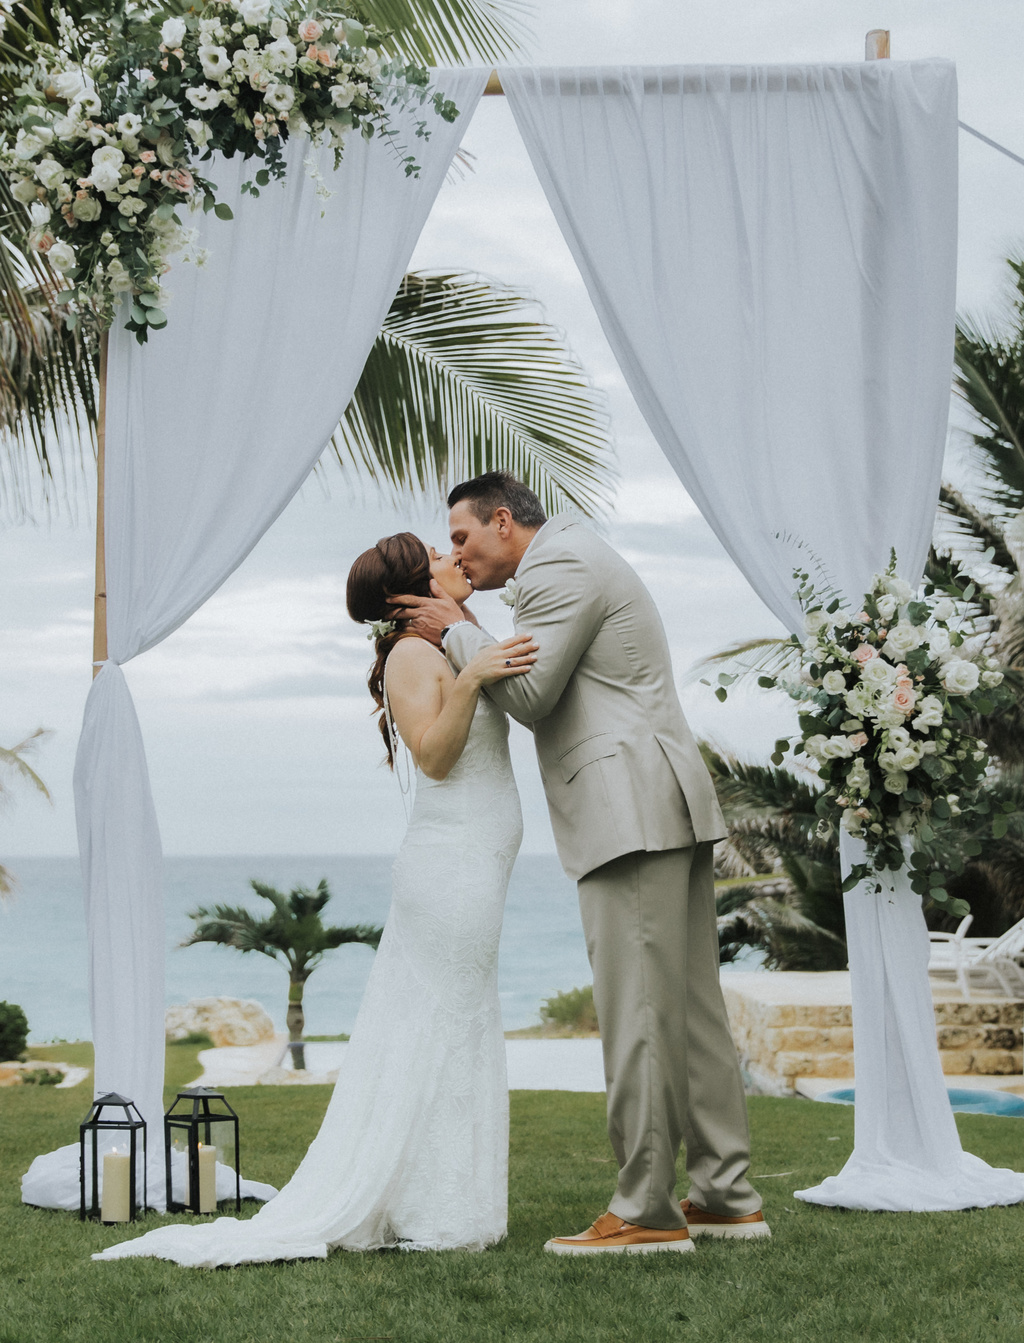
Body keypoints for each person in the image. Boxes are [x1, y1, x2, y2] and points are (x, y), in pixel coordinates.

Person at [93, 532, 536, 1267]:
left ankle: (443, 1195)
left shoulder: (450, 642)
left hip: (473, 858)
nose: (452, 557)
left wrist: (480, 657)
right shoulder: (412, 656)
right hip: (450, 862)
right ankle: (437, 1204)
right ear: (405, 592)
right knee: (446, 1023)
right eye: (435, 553)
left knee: (457, 1020)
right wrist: (473, 678)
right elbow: (433, 753)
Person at [391, 473, 768, 1255]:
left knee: (639, 1013)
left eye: (461, 536)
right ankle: (726, 1196)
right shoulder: (572, 558)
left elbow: (527, 691)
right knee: (693, 1011)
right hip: (657, 800)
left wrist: (457, 625)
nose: (456, 553)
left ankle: (645, 1211)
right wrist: (470, 620)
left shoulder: (557, 567)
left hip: (627, 809)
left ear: (502, 520)